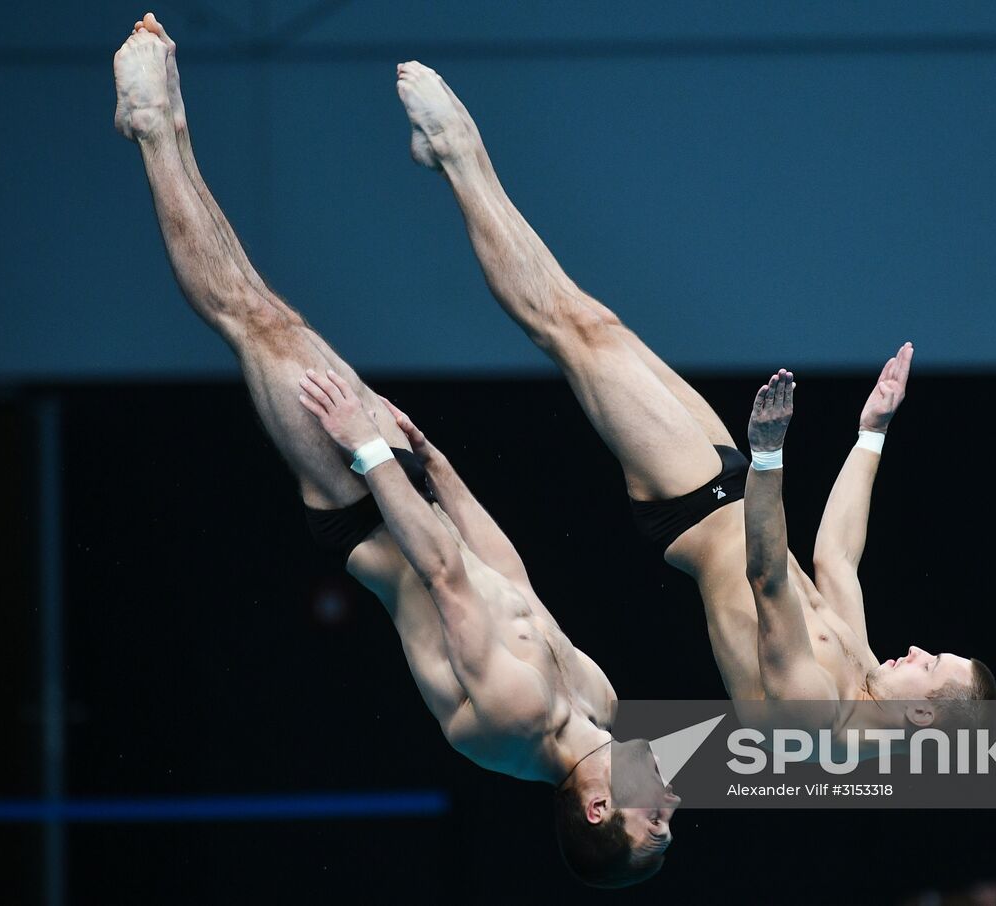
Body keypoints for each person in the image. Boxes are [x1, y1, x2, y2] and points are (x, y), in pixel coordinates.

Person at [113, 16, 675, 886]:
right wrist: (438, 464)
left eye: (657, 821)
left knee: (257, 322)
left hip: (367, 509)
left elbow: (448, 577)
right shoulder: (594, 704)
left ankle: (154, 130)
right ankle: (176, 130)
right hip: (411, 495)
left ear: (599, 808)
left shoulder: (514, 725)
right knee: (269, 319)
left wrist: (372, 454)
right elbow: (509, 578)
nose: (672, 801)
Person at [396, 62, 996, 725]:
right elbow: (836, 556)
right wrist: (871, 432)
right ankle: (451, 159)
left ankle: (457, 151)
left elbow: (766, 575)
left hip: (693, 507)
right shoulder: (860, 670)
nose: (915, 650)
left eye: (930, 665)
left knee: (570, 330)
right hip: (733, 484)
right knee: (596, 325)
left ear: (923, 717)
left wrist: (769, 454)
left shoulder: (818, 711)